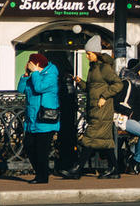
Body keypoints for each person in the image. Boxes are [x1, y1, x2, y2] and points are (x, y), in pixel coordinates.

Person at [59, 35, 123, 179]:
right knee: (105, 142)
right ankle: (115, 169)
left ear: (96, 53)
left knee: (88, 138)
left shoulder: (104, 68)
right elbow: (91, 88)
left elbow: (118, 84)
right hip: (95, 109)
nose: (87, 56)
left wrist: (104, 96)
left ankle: (77, 170)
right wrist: (80, 82)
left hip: (102, 110)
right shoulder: (93, 68)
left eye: (89, 53)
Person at [17, 53, 60, 184]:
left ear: (37, 64)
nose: (28, 65)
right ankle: (40, 173)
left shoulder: (51, 76)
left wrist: (35, 73)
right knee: (29, 146)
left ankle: (42, 177)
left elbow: (39, 88)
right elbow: (21, 90)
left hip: (45, 119)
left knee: (41, 150)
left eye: (30, 63)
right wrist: (25, 76)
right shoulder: (33, 76)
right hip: (32, 119)